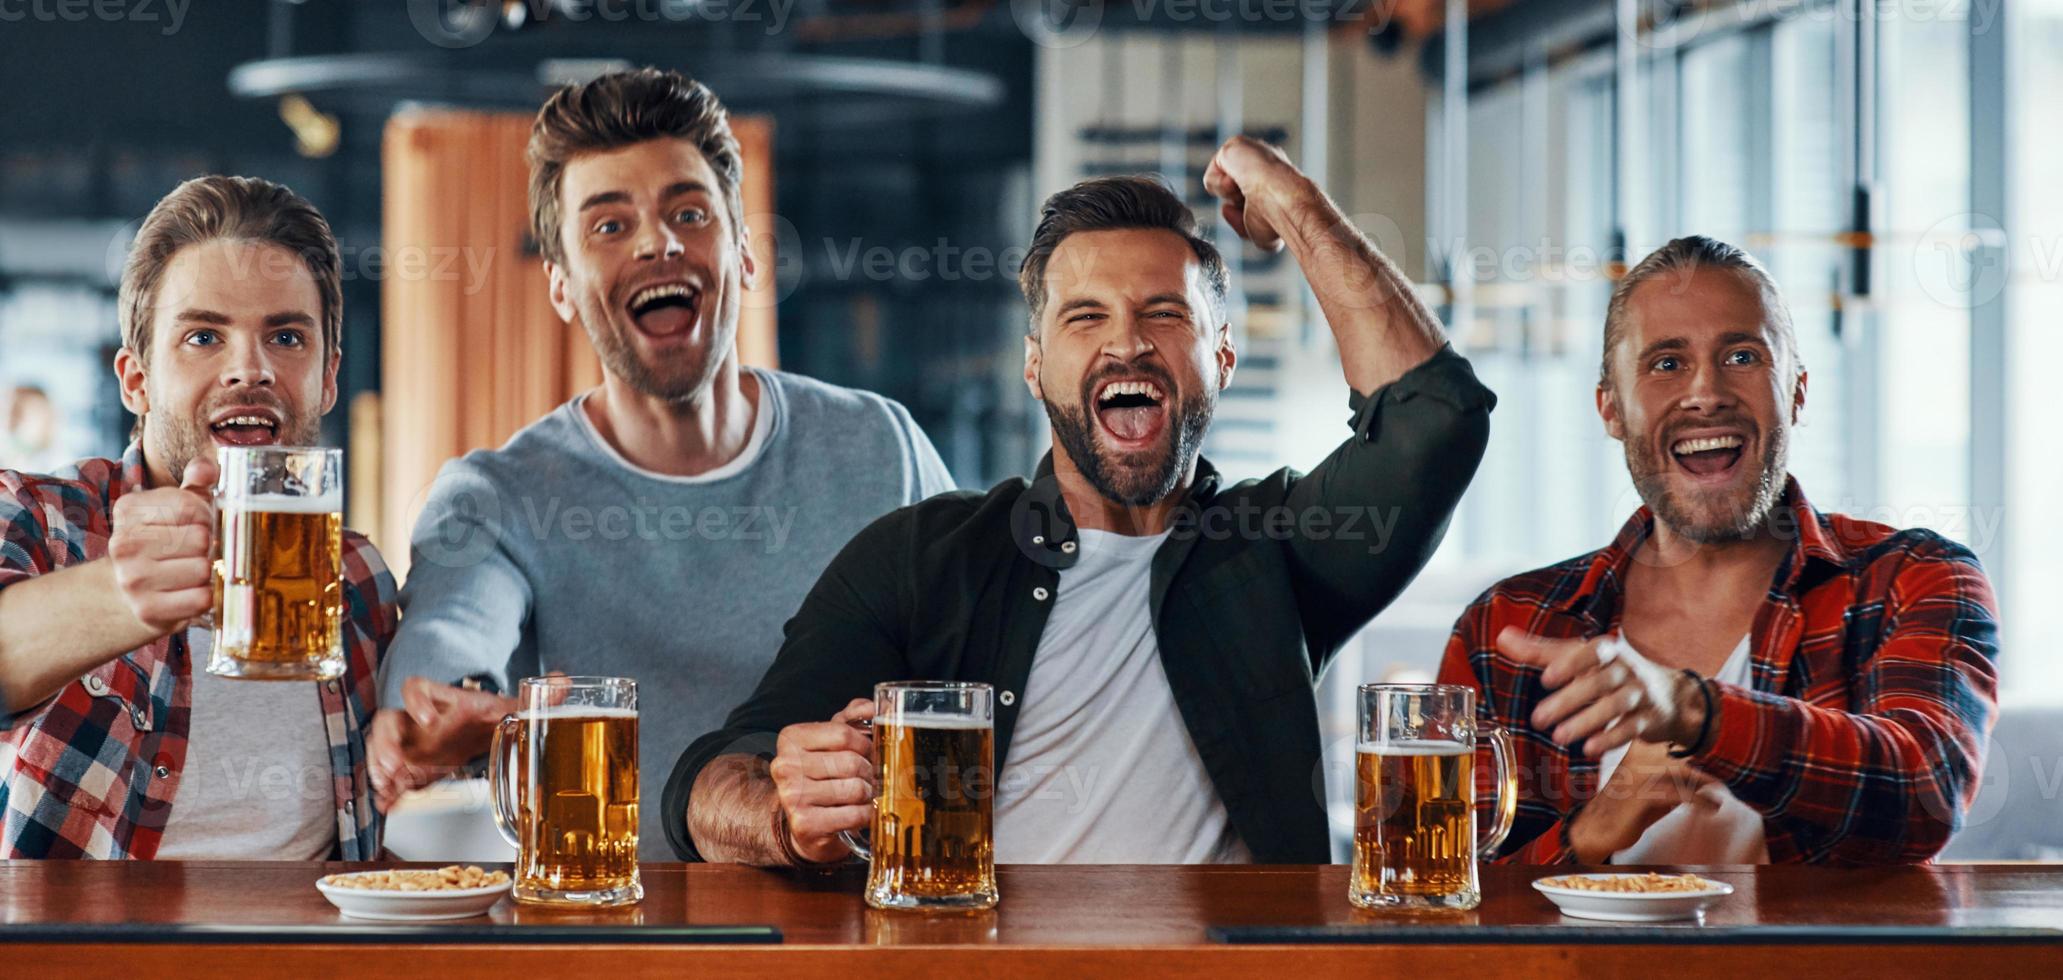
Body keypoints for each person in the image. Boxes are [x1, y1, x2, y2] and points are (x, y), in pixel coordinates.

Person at [671, 139, 1496, 865]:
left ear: (1222, 359)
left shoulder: (1280, 547)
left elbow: (1435, 424)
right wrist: (783, 815)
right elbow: (712, 778)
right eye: (1085, 316)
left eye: (1164, 314)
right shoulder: (919, 558)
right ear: (1034, 366)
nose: (1127, 341)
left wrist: (1293, 202)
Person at [368, 68, 954, 858]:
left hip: (849, 931)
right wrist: (444, 715)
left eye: (688, 212)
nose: (656, 242)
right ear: (564, 288)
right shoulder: (500, 496)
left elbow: (976, 658)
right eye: (609, 227)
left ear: (745, 253)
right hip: (615, 937)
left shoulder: (880, 448)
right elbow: (449, 637)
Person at [1439, 235, 1999, 865]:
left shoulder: (1913, 578)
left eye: (1741, 355)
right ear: (1611, 409)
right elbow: (1452, 906)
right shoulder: (1505, 623)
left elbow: (1926, 791)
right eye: (1666, 364)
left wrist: (1695, 712)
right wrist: (1590, 834)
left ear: (1797, 391)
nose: (1706, 393)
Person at [0, 176, 398, 859]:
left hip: (309, 965)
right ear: (137, 380)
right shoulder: (38, 516)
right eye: (205, 336)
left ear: (329, 377)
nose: (251, 369)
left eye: (286, 337)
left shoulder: (356, 577)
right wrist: (118, 595)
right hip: (81, 965)